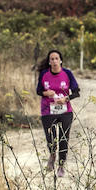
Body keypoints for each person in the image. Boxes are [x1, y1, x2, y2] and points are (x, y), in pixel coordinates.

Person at [34, 49, 80, 177]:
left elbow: (76, 92)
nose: (54, 61)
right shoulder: (44, 74)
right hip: (48, 111)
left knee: (63, 138)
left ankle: (61, 165)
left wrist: (66, 99)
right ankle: (52, 155)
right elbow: (38, 91)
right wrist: (45, 93)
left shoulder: (67, 74)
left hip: (65, 111)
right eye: (52, 59)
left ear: (61, 60)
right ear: (49, 62)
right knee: (51, 138)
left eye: (56, 58)